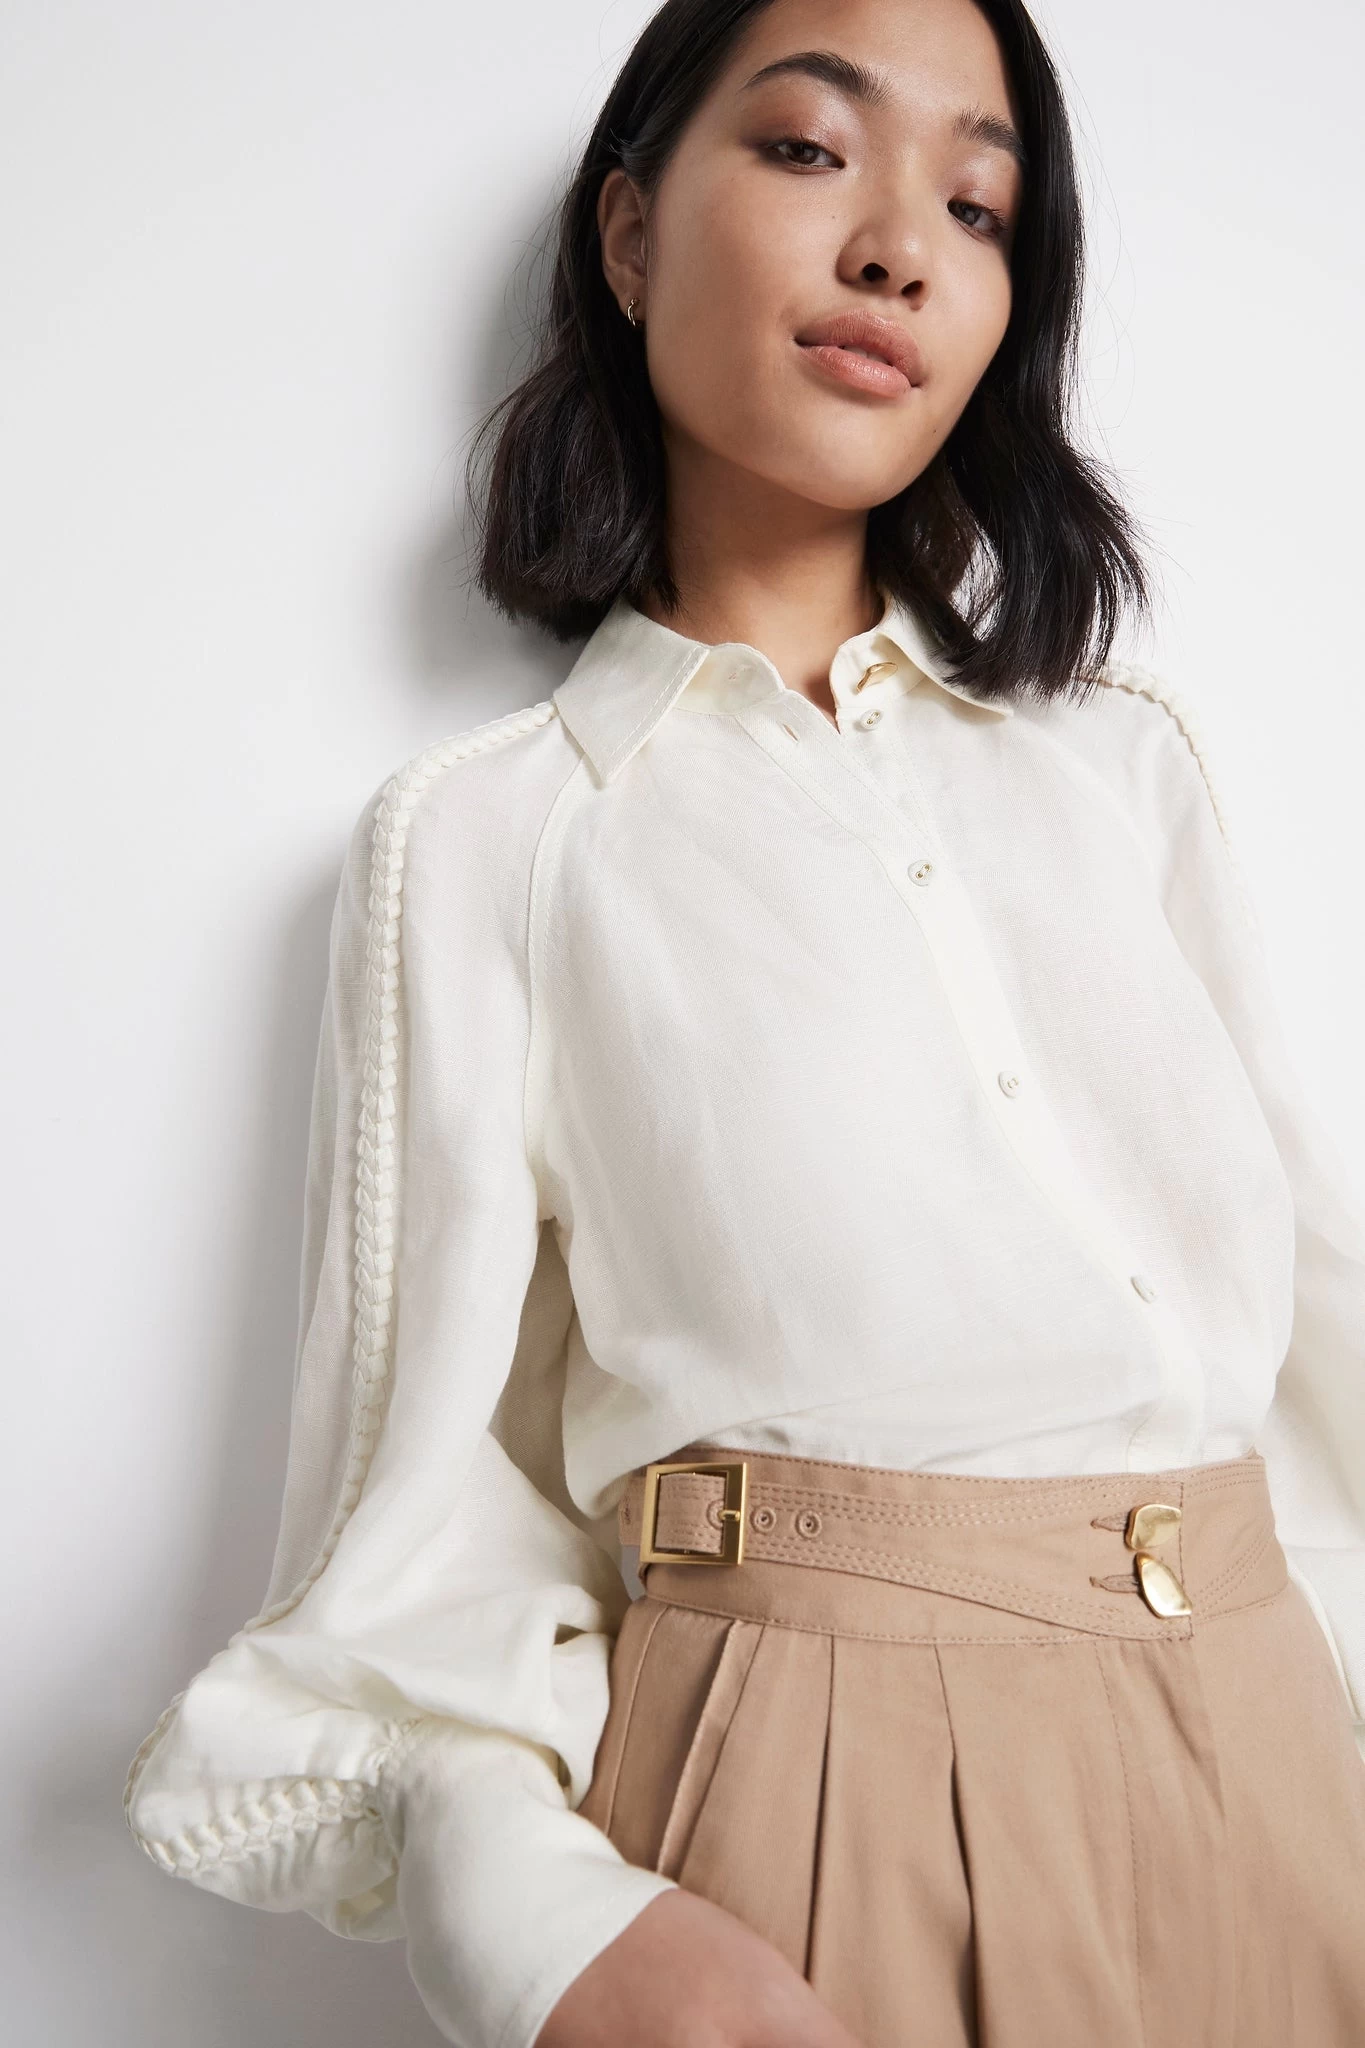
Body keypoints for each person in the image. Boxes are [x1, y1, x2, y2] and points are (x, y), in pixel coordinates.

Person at [122, 1, 1365, 2044]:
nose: (897, 248)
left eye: (976, 207)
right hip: (818, 1809)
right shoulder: (498, 839)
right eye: (807, 150)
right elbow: (414, 1515)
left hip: (1279, 1768)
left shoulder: (1123, 771)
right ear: (628, 236)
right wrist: (550, 1930)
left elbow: (1309, 1342)